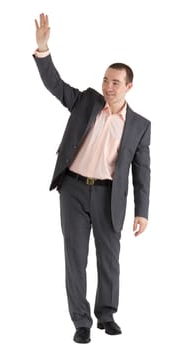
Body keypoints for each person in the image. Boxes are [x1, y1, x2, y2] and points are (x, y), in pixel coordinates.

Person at [33, 13, 151, 344]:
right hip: (72, 189)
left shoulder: (140, 126)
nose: (108, 86)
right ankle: (81, 321)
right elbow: (55, 85)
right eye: (105, 80)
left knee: (109, 258)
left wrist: (142, 211)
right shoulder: (86, 101)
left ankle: (107, 314)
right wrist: (43, 50)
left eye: (116, 82)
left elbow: (143, 171)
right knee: (75, 257)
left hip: (108, 196)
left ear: (129, 86)